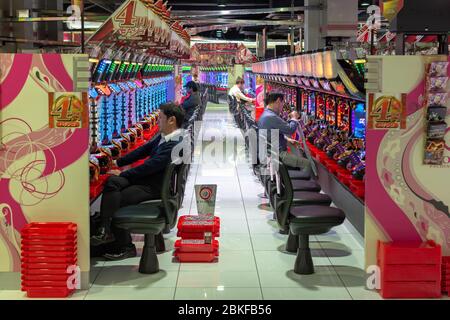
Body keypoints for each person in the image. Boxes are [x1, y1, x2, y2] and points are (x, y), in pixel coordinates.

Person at [90, 102, 185, 260]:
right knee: (112, 183)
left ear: (171, 120)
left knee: (118, 198)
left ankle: (124, 245)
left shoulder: (174, 143)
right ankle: (105, 230)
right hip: (148, 180)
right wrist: (117, 163)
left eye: (160, 117)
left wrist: (124, 174)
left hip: (154, 187)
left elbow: (149, 167)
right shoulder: (166, 137)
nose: (157, 120)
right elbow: (144, 150)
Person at [257, 92, 310, 170]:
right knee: (308, 164)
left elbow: (272, 134)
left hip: (271, 152)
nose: (283, 106)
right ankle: (292, 181)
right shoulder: (271, 116)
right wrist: (294, 118)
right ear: (278, 101)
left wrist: (287, 139)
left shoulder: (266, 113)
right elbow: (290, 130)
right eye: (283, 102)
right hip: (278, 154)